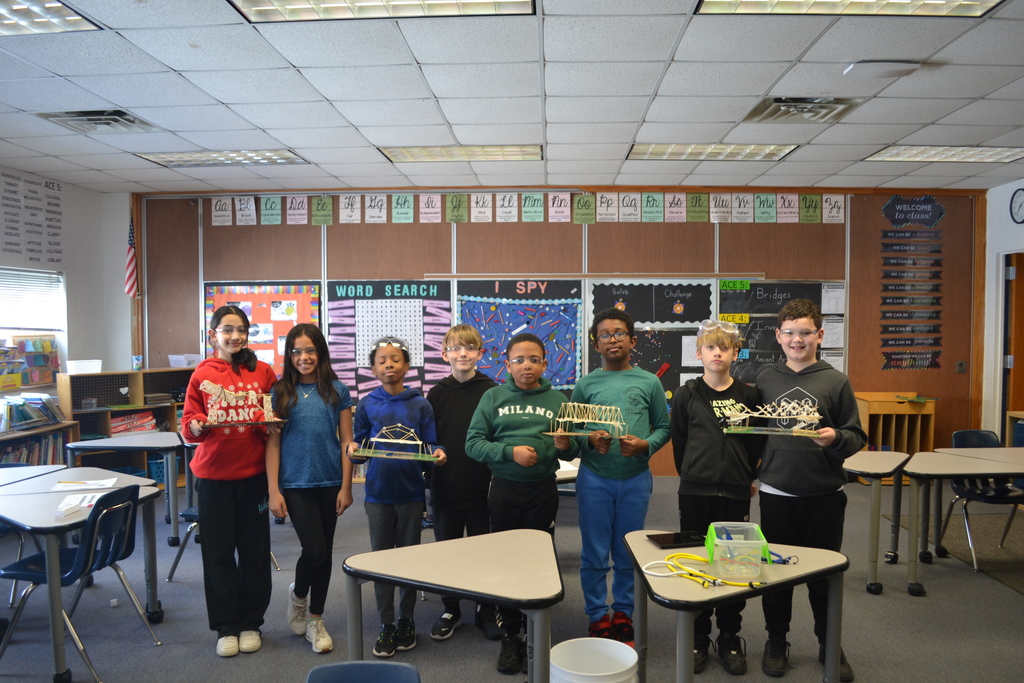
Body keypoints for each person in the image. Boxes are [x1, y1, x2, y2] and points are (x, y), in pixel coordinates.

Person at [757, 299, 866, 682]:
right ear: (778, 336)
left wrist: (836, 436)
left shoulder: (835, 380)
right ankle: (775, 641)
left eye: (805, 332)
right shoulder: (765, 378)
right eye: (789, 332)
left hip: (823, 494)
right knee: (775, 575)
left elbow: (856, 437)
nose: (797, 339)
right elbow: (751, 432)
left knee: (823, 576)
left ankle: (828, 643)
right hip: (776, 493)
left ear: (819, 335)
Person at [467, 332, 579, 675]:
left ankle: (535, 632)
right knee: (507, 559)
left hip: (542, 490)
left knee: (539, 559)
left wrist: (564, 444)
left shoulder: (559, 399)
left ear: (545, 363)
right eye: (519, 360)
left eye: (533, 359)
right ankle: (511, 635)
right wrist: (508, 452)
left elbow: (574, 450)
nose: (526, 366)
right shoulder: (493, 397)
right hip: (503, 488)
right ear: (507, 364)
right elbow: (472, 443)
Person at [181, 305, 278, 658]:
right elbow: (190, 420)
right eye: (227, 330)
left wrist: (272, 423)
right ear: (213, 335)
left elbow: (273, 413)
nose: (235, 336)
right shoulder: (202, 374)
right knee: (218, 554)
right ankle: (225, 626)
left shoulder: (264, 372)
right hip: (214, 479)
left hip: (253, 477)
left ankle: (252, 622)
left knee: (254, 551)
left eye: (241, 330)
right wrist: (194, 426)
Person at [568, 308, 670, 647]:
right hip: (594, 478)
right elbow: (573, 429)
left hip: (635, 478)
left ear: (632, 340)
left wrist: (645, 445)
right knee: (594, 553)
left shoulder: (649, 381)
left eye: (618, 333)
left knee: (627, 552)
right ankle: (598, 615)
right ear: (596, 344)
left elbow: (664, 428)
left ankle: (623, 613)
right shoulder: (586, 384)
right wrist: (589, 439)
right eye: (604, 335)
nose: (612, 339)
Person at [671, 318, 764, 676]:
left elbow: (757, 440)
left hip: (735, 492)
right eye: (710, 347)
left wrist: (745, 474)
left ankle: (728, 636)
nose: (717, 353)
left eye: (724, 347)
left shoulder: (749, 395)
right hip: (695, 490)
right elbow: (680, 441)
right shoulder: (687, 394)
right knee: (697, 562)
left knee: (733, 563)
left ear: (735, 353)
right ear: (699, 353)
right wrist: (693, 473)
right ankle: (698, 636)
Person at [345, 337, 446, 659]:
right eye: (382, 360)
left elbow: (431, 444)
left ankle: (407, 620)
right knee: (382, 561)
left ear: (406, 365)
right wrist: (353, 452)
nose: (389, 364)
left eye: (395, 359)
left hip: (411, 495)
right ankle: (386, 623)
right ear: (373, 368)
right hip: (377, 495)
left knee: (408, 560)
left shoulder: (420, 404)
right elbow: (359, 449)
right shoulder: (367, 403)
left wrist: (439, 453)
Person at [266, 323, 354, 654]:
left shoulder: (336, 390)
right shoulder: (279, 393)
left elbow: (347, 441)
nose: (304, 357)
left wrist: (347, 485)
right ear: (289, 355)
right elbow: (272, 446)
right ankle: (299, 595)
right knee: (314, 550)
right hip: (295, 483)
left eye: (310, 350)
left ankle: (316, 619)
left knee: (325, 551)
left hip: (330, 480)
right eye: (297, 351)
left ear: (321, 352)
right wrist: (273, 490)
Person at [425, 324, 501, 642]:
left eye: (470, 348)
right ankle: (451, 607)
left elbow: (498, 434)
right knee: (448, 550)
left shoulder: (492, 390)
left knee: (484, 549)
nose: (463, 353)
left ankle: (485, 607)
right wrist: (432, 455)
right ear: (445, 355)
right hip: (446, 485)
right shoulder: (437, 393)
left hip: (483, 485)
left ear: (480, 354)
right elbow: (429, 438)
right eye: (456, 348)